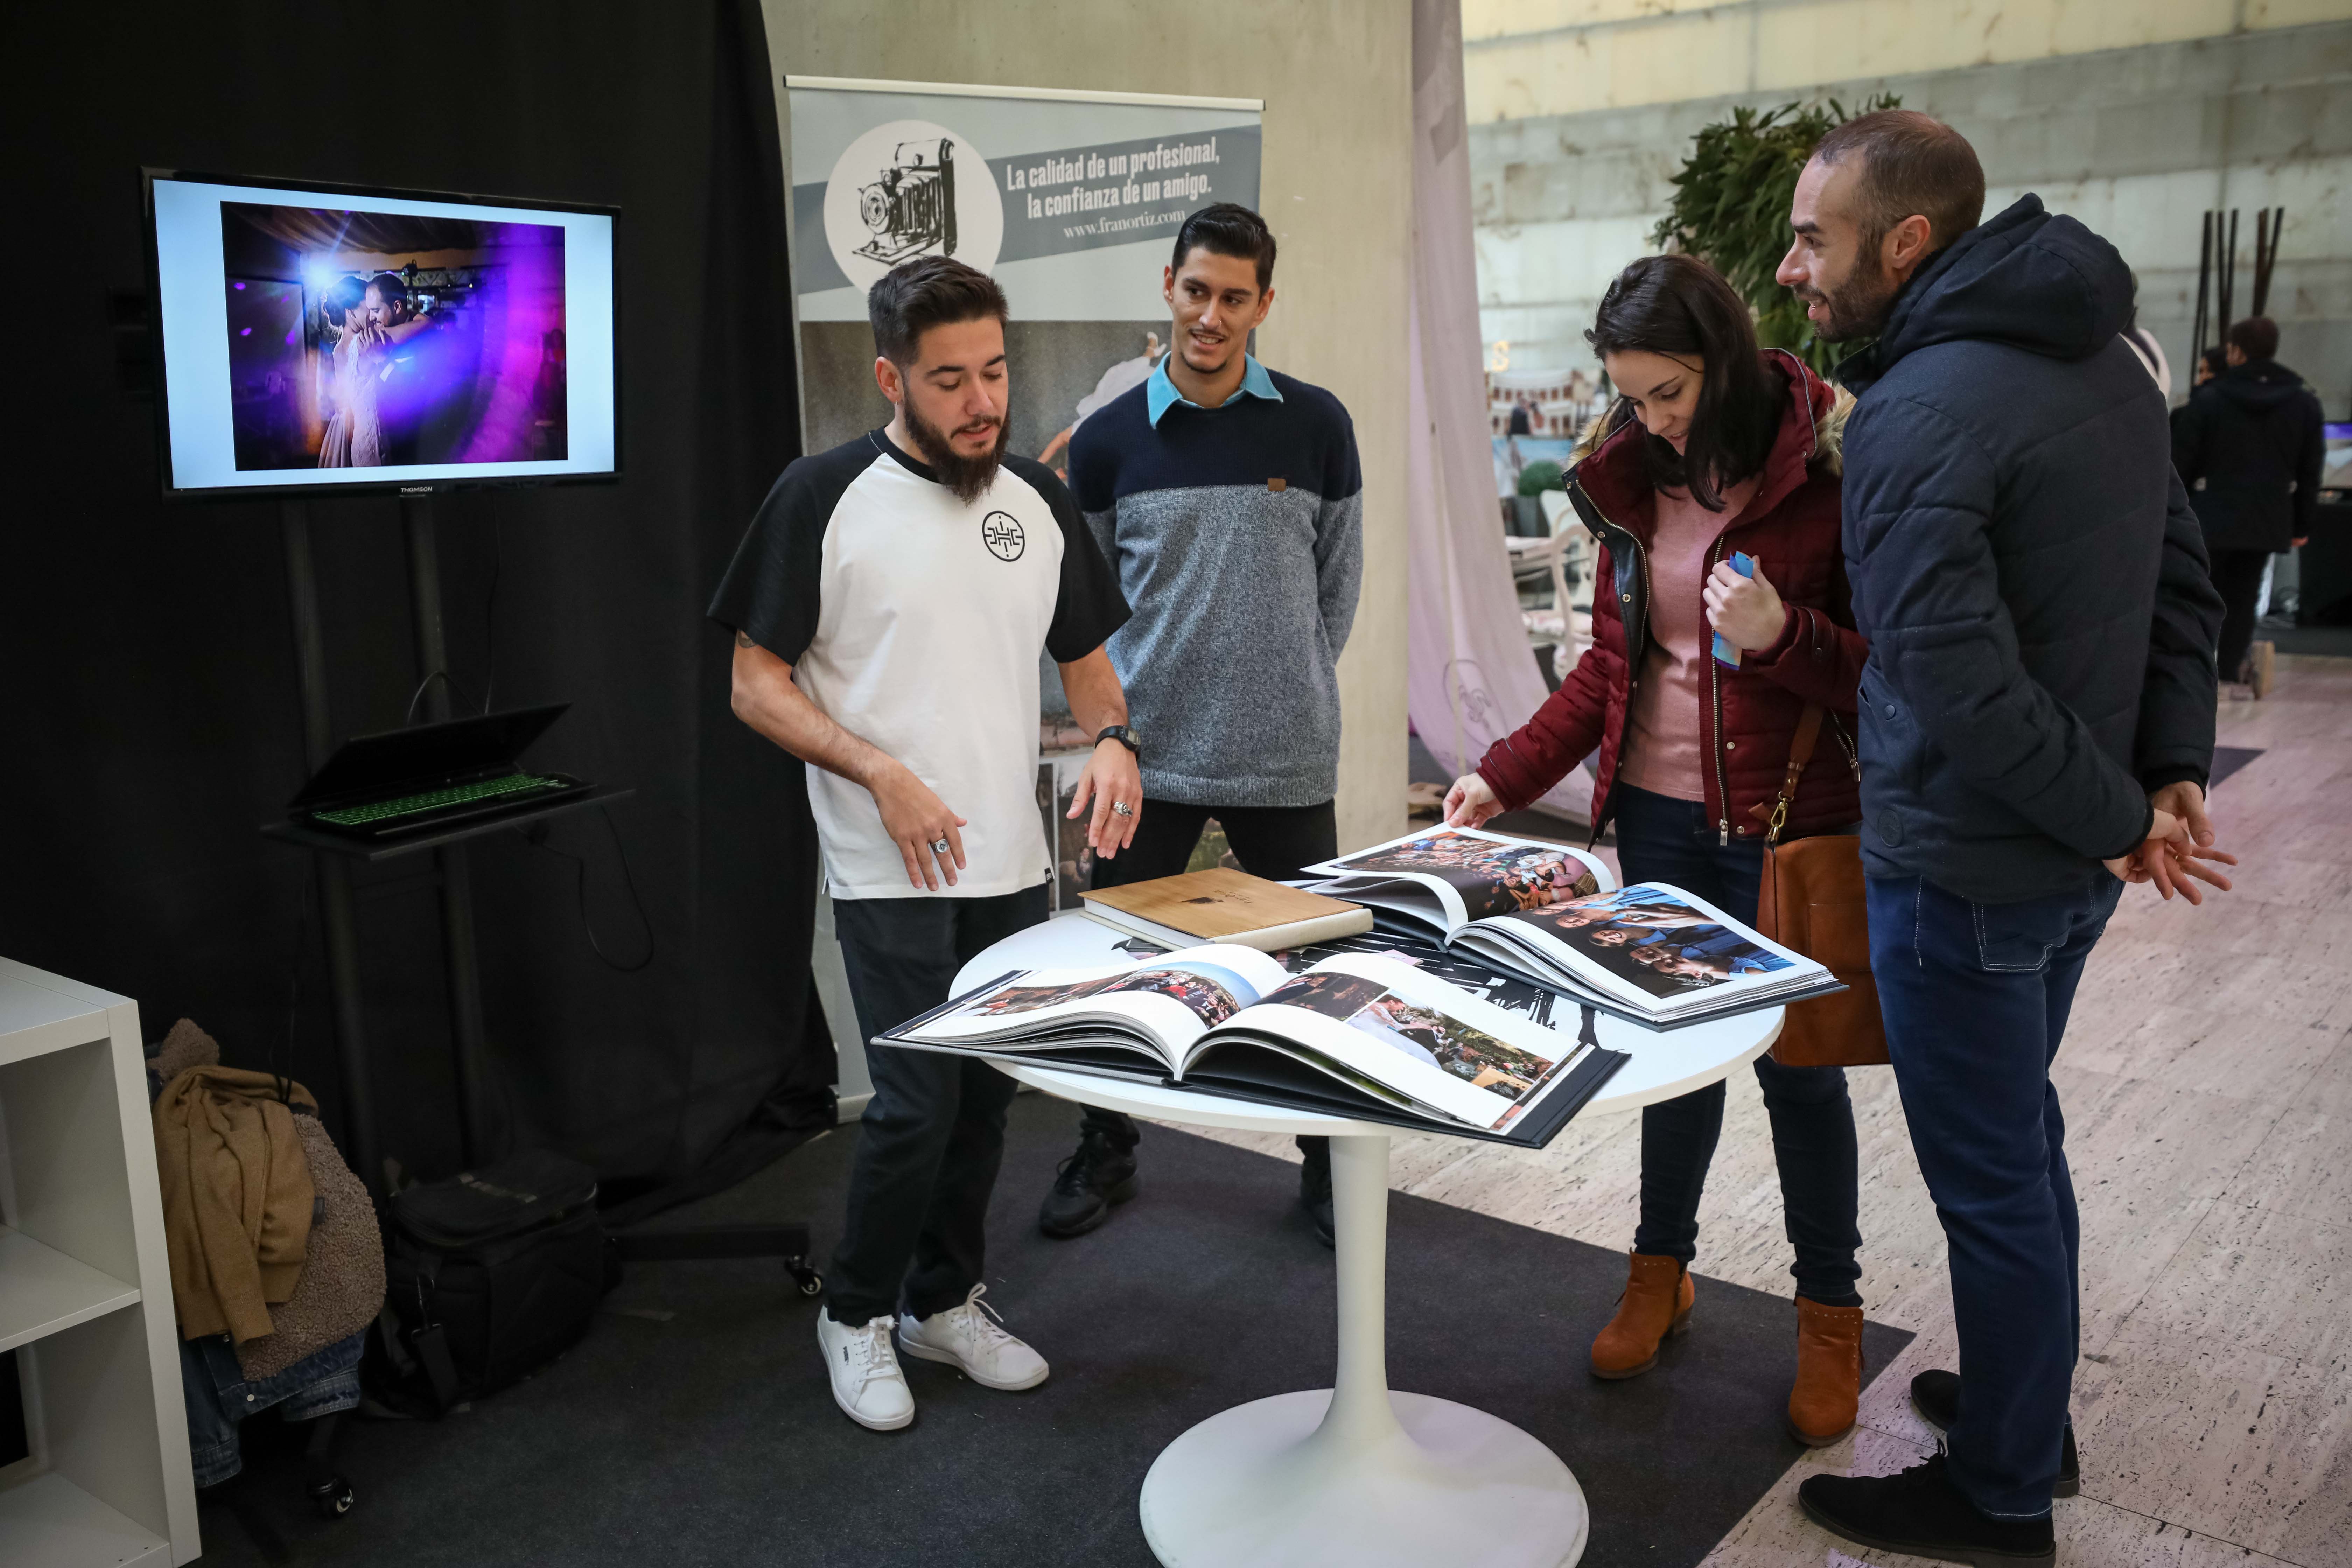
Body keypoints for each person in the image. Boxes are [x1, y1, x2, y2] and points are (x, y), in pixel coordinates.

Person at [1772, 110, 2232, 1565]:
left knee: (1994, 1179)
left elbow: (1956, 680)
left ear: (1907, 245)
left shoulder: (1918, 408)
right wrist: (2161, 780)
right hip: (2060, 859)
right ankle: (2029, 1410)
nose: (1792, 267)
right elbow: (2183, 590)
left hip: (1971, 866)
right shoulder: (2114, 360)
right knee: (2021, 1150)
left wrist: (2122, 820)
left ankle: (1999, 1493)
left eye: (1812, 238)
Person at [1443, 253, 1874, 1444]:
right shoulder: (1636, 486)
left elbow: (1880, 674)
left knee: (1801, 1077)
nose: (1651, 421)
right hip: (1661, 824)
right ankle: (1658, 1272)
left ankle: (1829, 1316)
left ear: (1723, 360)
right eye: (1632, 397)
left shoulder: (1825, 477)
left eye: (1669, 394)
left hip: (1785, 829)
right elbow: (1607, 671)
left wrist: (1785, 634)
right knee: (1671, 1063)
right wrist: (1504, 772)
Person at [710, 256, 1140, 1432]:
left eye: (994, 372)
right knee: (912, 1104)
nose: (980, 402)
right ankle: (854, 1315)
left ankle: (942, 1304)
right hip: (887, 865)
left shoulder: (1036, 503)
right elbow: (755, 683)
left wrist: (1114, 739)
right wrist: (879, 771)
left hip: (1011, 861)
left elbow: (1087, 656)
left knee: (986, 1100)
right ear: (892, 377)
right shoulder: (822, 496)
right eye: (950, 380)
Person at [1042, 203, 1364, 1245]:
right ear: (1167, 287)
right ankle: (1106, 1141)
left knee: (1306, 975)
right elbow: (1087, 608)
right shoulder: (1106, 439)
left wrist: (1282, 676)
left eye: (1234, 297)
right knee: (1118, 965)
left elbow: (1334, 593)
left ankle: (1322, 1160)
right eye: (1195, 291)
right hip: (1145, 760)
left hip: (1284, 758)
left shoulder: (1316, 425)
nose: (1210, 316)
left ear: (1263, 302)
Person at [2172, 315, 2326, 699]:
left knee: (2203, 593)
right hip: (2268, 515)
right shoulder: (2304, 401)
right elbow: (2311, 471)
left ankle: (2195, 670)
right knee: (2244, 596)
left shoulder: (2210, 399)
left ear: (2235, 351)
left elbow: (2181, 465)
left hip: (2211, 513)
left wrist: (2176, 514)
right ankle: (2227, 676)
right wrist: (2301, 524)